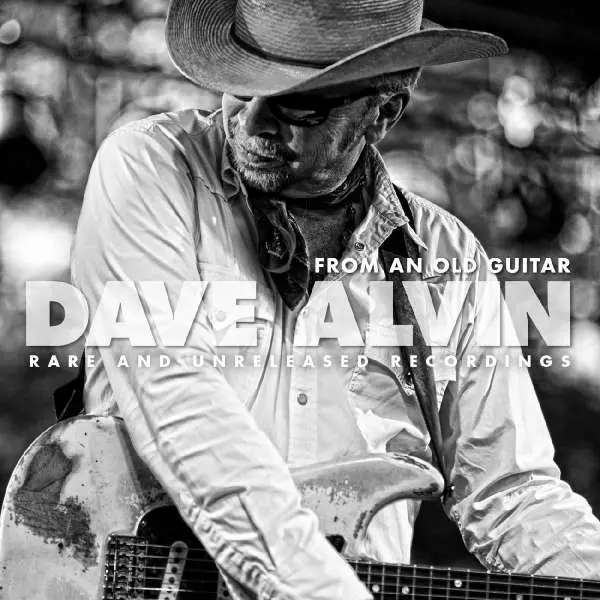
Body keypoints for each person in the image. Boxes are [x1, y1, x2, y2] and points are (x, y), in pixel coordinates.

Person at [71, 0, 600, 598]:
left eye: (300, 106)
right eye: (241, 90)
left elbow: (511, 493)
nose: (254, 123)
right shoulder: (151, 166)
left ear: (383, 113)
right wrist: (316, 587)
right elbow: (176, 394)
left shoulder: (448, 262)